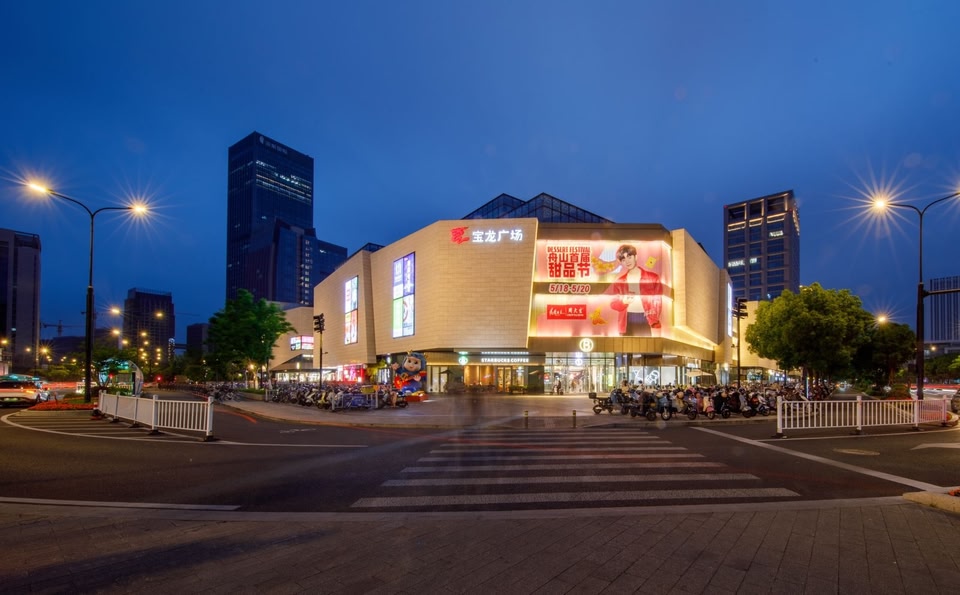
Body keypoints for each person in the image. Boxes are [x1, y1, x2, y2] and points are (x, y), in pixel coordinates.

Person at [607, 244, 662, 336]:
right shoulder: (620, 281)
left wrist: (654, 318)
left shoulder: (653, 277)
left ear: (636, 257)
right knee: (626, 345)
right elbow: (613, 304)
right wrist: (624, 301)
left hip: (646, 317)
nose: (627, 261)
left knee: (646, 344)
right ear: (621, 262)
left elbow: (657, 302)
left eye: (629, 257)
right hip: (626, 318)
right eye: (623, 260)